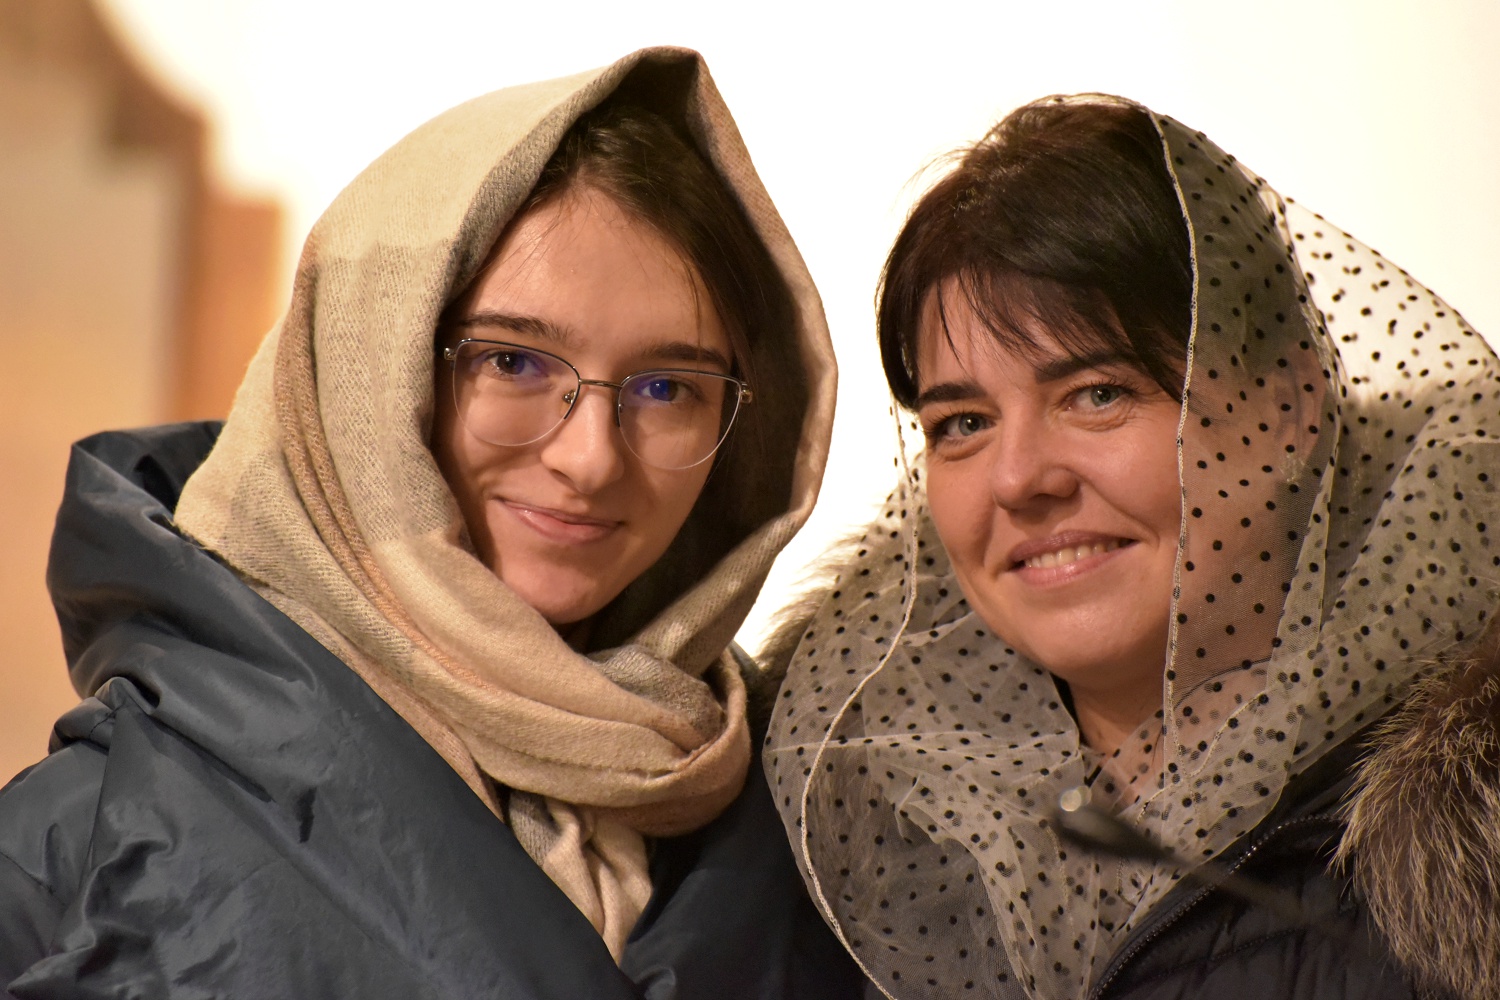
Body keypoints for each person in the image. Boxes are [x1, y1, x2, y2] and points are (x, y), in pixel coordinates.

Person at [0, 48, 863, 999]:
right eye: (512, 362)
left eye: (667, 388)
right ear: (370, 369)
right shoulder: (68, 856)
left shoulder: (815, 825)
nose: (591, 459)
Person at [765, 94, 1500, 1000]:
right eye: (963, 422)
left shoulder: (1466, 835)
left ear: (1289, 407)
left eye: (1098, 394)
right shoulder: (832, 826)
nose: (1017, 478)